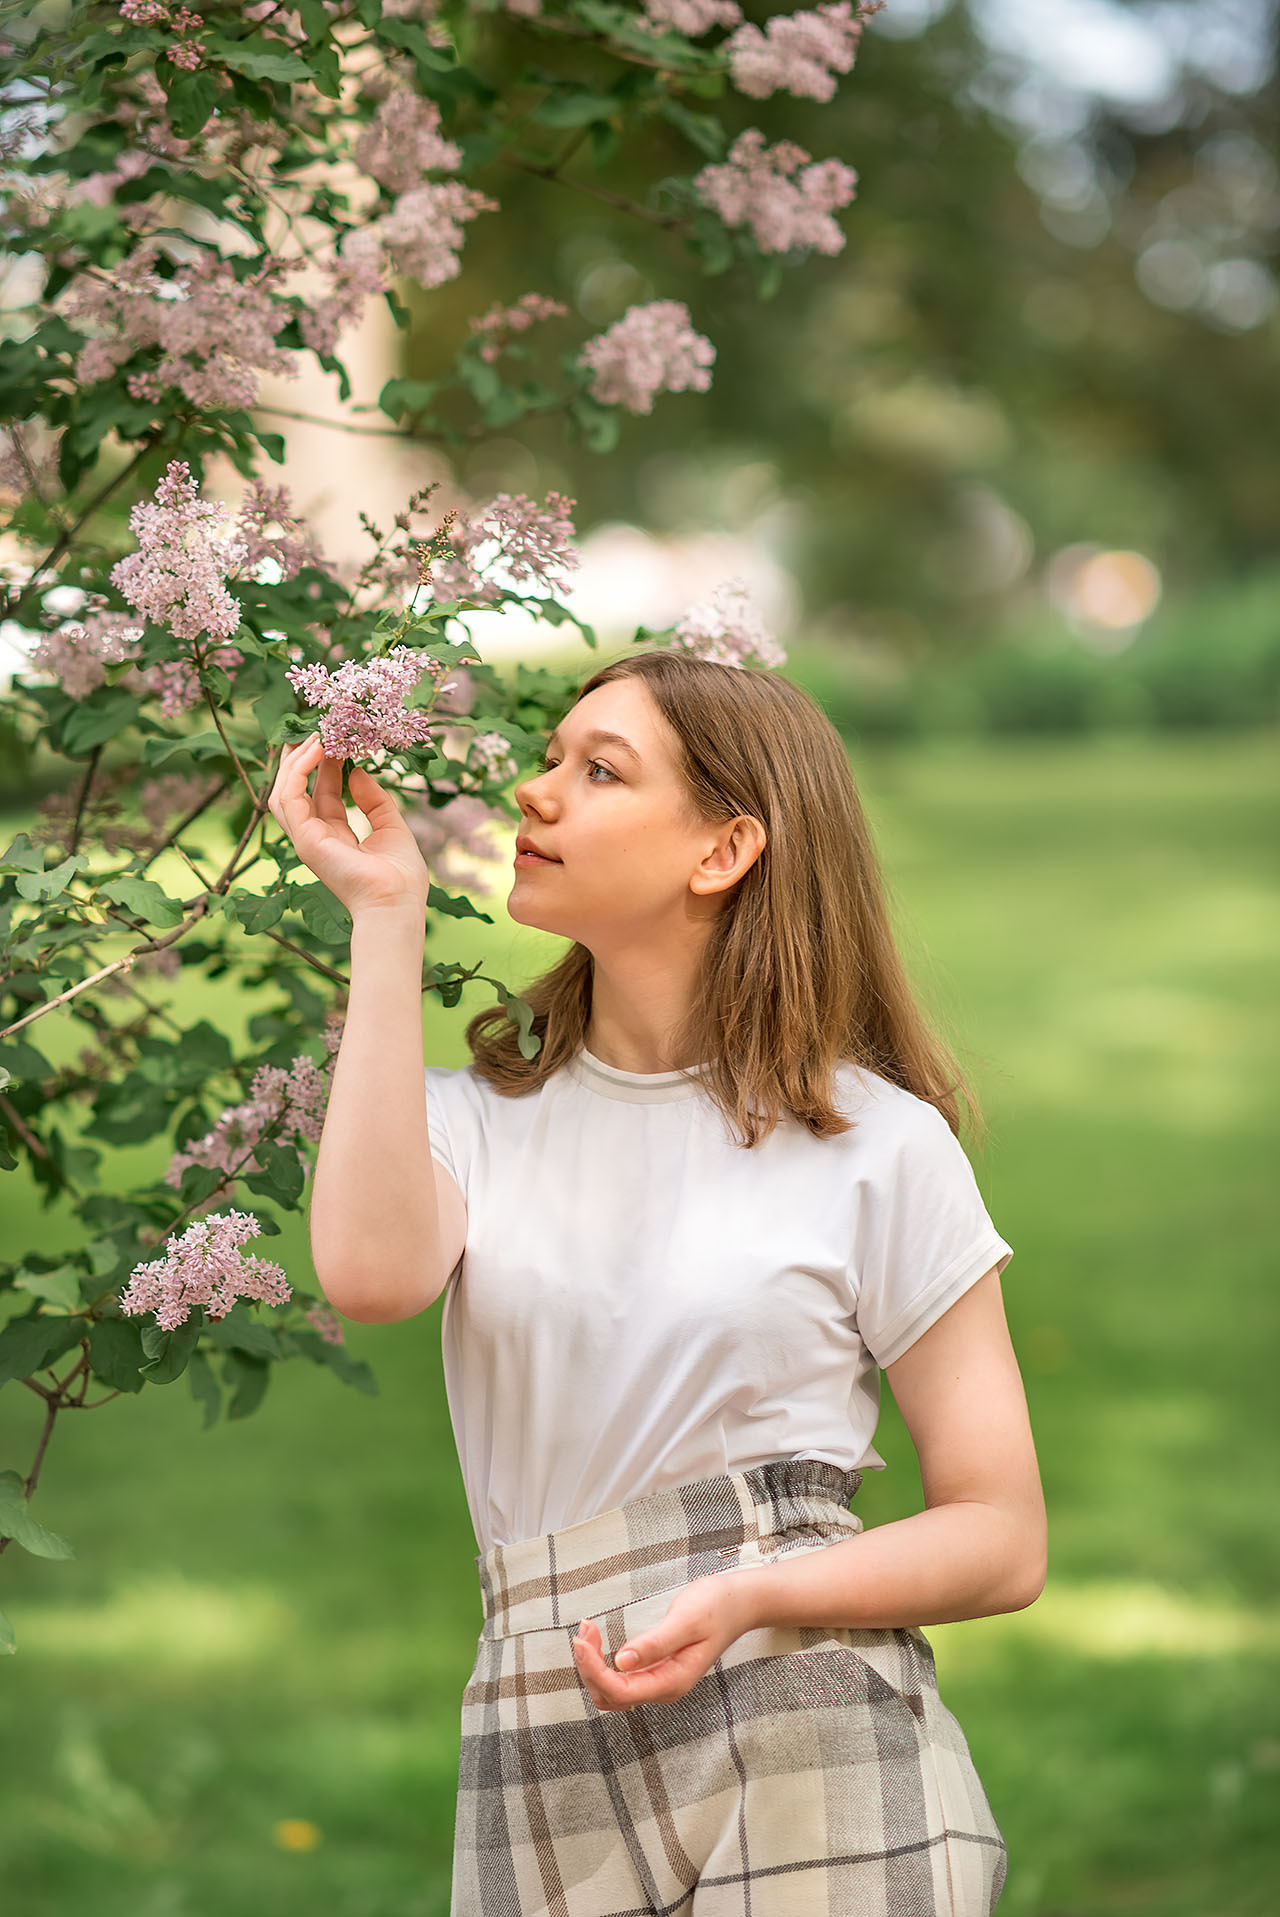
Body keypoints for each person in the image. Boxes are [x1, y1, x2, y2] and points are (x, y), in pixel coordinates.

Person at [270, 646, 1047, 1917]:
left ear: (720, 851)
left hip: (809, 1730)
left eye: (599, 770)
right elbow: (366, 1276)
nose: (533, 793)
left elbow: (1001, 1536)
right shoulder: (473, 1121)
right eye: (549, 759)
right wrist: (381, 916)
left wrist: (747, 1594)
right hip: (543, 1724)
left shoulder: (877, 1144)